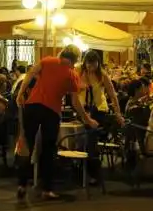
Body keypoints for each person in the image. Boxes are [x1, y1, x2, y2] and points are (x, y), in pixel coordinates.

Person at [15, 45, 99, 201]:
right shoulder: (72, 75)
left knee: (28, 145)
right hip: (51, 112)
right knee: (48, 150)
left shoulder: (47, 61)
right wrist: (87, 119)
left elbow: (30, 74)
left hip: (32, 106)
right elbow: (75, 103)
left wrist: (21, 93)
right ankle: (47, 189)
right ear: (76, 59)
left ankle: (21, 185)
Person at [76, 50, 124, 129]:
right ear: (85, 63)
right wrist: (79, 87)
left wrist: (118, 113)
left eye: (94, 64)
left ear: (98, 63)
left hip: (98, 109)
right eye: (89, 64)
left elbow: (112, 95)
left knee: (92, 131)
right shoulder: (79, 72)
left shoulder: (102, 75)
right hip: (82, 109)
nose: (91, 67)